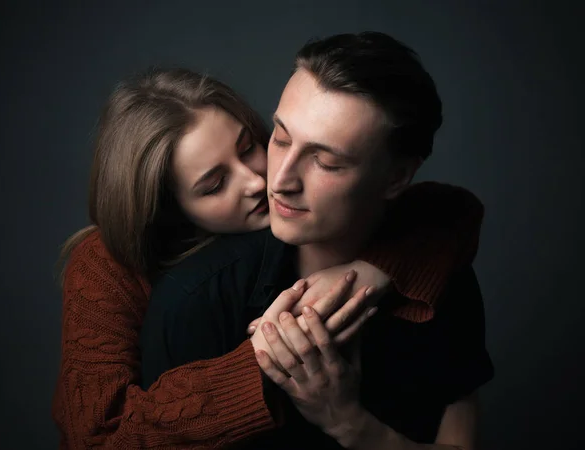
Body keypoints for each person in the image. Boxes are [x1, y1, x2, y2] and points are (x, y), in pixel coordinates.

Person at [53, 67, 484, 449]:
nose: (260, 181)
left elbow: (451, 211)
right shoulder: (105, 267)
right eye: (214, 184)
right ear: (169, 208)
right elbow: (97, 440)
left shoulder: (306, 225)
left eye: (248, 147)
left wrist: (368, 270)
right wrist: (266, 354)